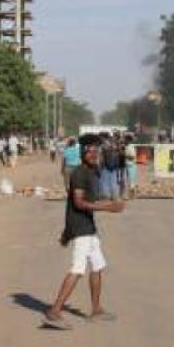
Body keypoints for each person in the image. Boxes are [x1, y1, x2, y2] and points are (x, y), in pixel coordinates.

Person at [43, 134, 125, 330]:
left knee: (97, 265)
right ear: (83, 153)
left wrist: (110, 204)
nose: (95, 154)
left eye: (97, 151)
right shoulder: (79, 173)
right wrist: (108, 208)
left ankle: (96, 310)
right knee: (78, 268)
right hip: (82, 228)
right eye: (91, 151)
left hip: (88, 227)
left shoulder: (92, 171)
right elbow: (78, 203)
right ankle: (55, 311)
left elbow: (78, 204)